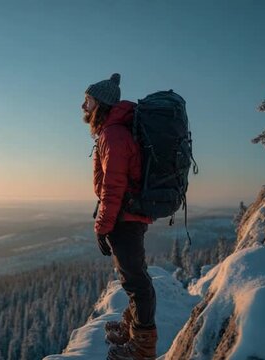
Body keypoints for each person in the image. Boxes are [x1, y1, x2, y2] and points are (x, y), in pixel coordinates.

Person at [82, 73, 158, 360]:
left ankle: (143, 347)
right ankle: (133, 326)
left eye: (87, 100)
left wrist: (101, 227)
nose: (83, 107)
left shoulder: (113, 135)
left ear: (100, 104)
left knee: (135, 280)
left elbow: (114, 187)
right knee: (132, 275)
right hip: (127, 215)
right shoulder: (113, 131)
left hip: (124, 218)